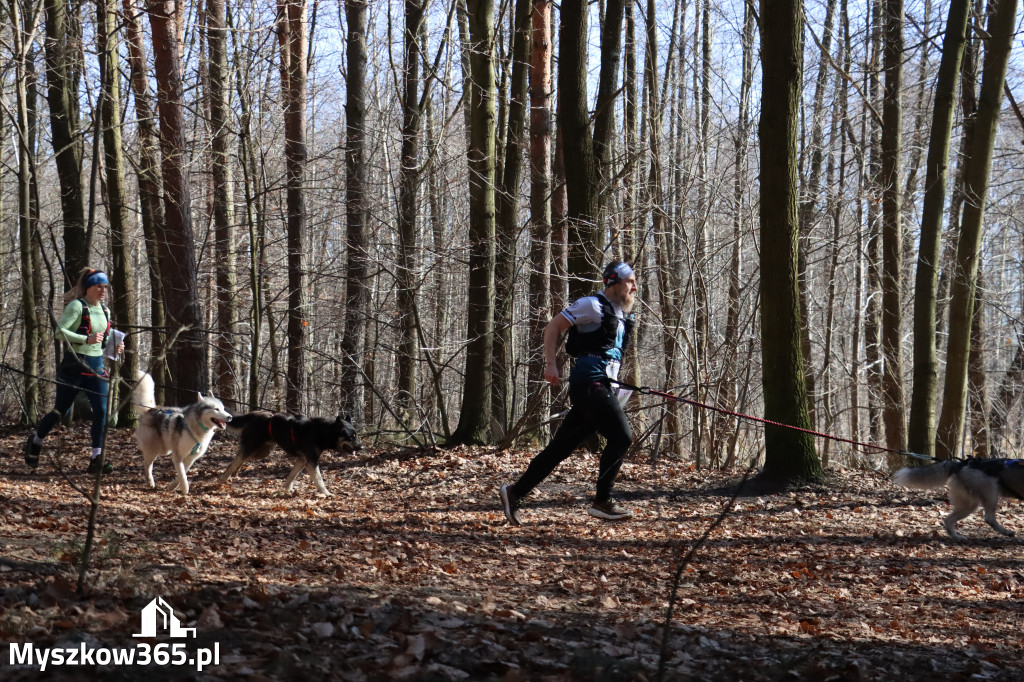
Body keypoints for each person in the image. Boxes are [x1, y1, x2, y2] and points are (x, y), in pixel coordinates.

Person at [500, 261, 638, 524]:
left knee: (560, 448)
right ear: (614, 282)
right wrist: (550, 363)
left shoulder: (620, 314)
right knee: (621, 437)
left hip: (603, 385)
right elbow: (552, 326)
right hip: (590, 383)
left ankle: (515, 492)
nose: (635, 287)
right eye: (630, 281)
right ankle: (603, 501)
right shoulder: (591, 305)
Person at [23, 268, 125, 474]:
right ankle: (36, 441)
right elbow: (59, 332)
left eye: (105, 287)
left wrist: (115, 347)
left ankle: (96, 458)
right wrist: (85, 339)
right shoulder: (77, 306)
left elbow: (102, 340)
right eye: (99, 286)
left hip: (97, 368)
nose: (103, 290)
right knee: (60, 411)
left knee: (102, 412)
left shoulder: (105, 311)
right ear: (88, 287)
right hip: (74, 367)